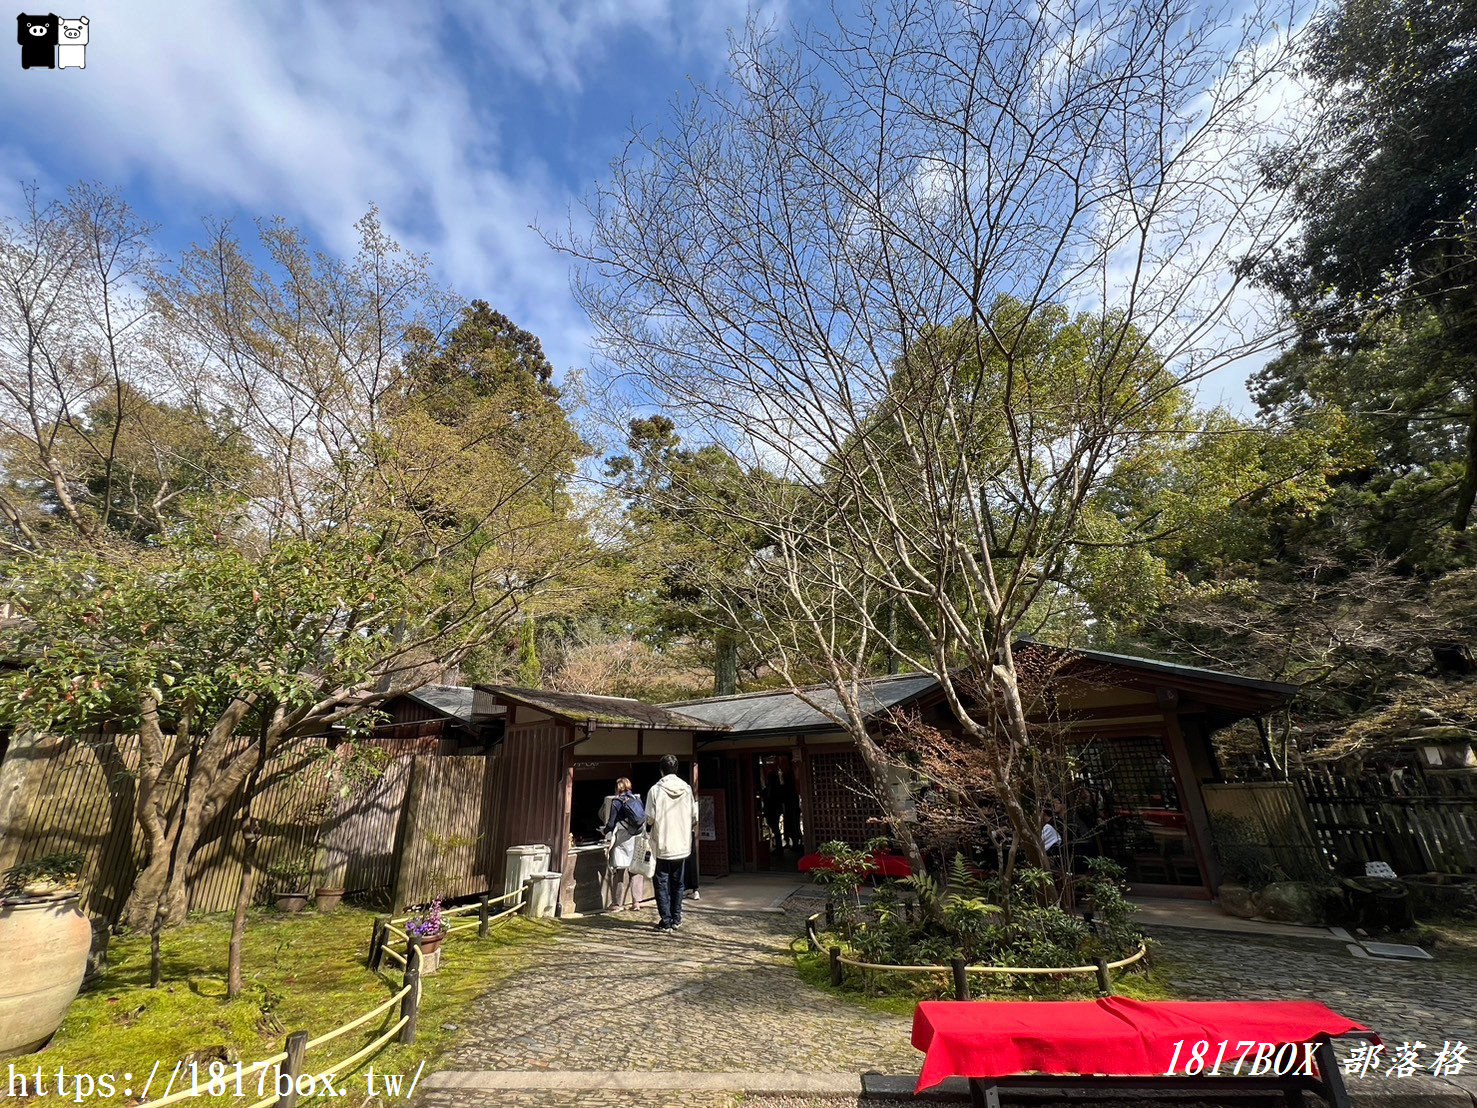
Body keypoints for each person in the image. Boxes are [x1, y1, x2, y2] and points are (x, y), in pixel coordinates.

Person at [645, 754, 697, 932]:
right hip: (682, 844)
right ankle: (676, 918)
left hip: (662, 844)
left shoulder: (655, 790)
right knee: (678, 883)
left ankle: (666, 920)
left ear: (661, 770)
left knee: (661, 883)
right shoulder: (687, 789)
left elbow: (649, 819)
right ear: (676, 769)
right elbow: (694, 816)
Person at [602, 777, 646, 911]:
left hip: (622, 839)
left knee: (619, 870)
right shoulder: (636, 799)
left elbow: (611, 823)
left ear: (618, 787)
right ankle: (636, 902)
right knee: (635, 870)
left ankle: (616, 903)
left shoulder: (616, 802)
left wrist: (604, 831)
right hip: (636, 837)